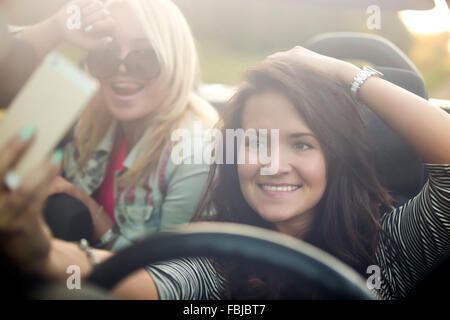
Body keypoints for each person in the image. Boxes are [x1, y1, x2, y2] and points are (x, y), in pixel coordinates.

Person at [1, 47, 449, 300]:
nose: (273, 164)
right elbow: (138, 281)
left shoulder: (392, 245)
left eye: (302, 144)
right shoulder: (218, 261)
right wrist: (40, 252)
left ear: (338, 156)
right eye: (254, 142)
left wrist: (345, 73)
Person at [15, 0, 218, 251]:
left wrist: (93, 213)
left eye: (145, 56)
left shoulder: (194, 153)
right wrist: (56, 28)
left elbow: (168, 272)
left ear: (176, 61)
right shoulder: (90, 118)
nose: (121, 68)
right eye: (106, 53)